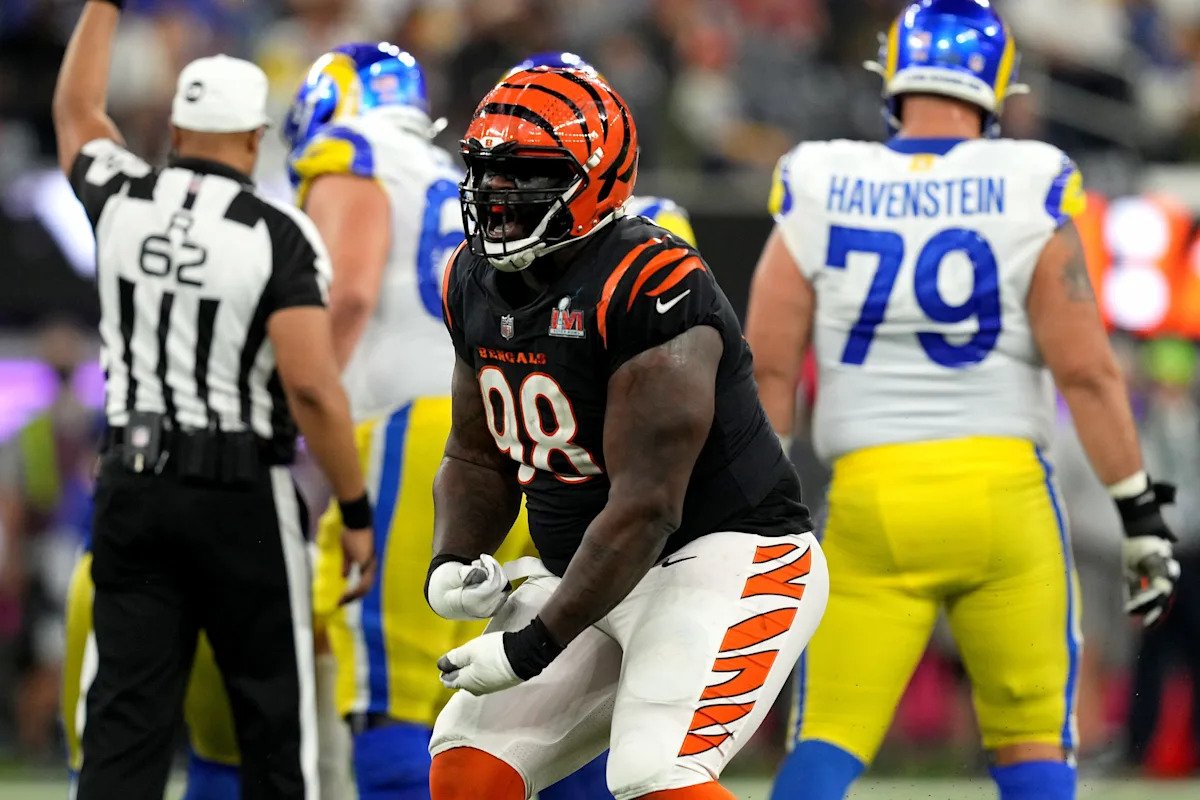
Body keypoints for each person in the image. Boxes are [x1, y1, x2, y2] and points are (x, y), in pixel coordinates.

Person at [743, 2, 1181, 799]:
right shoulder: (1028, 181)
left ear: (895, 77)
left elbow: (768, 369)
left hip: (872, 499)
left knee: (825, 743)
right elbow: (1088, 373)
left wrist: (753, 516)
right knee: (1033, 742)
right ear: (997, 86)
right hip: (1003, 497)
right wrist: (1141, 516)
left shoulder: (823, 180)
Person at [427, 66, 829, 800]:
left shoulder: (650, 283)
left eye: (525, 173)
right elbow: (477, 453)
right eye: (486, 170)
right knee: (467, 771)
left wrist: (529, 649)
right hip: (592, 566)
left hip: (719, 555)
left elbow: (647, 506)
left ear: (597, 180)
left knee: (656, 775)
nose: (497, 193)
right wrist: (451, 561)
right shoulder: (469, 277)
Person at [52, 2, 377, 798]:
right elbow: (311, 386)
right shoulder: (277, 233)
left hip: (132, 482)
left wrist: (105, 5)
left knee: (124, 724)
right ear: (255, 138)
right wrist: (354, 508)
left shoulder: (120, 197)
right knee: (273, 727)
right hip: (239, 495)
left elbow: (76, 110)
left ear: (176, 126)